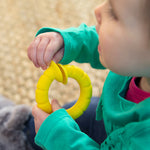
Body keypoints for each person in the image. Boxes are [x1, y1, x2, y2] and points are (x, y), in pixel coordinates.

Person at [27, 0, 150, 149]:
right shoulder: (138, 59)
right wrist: (68, 41)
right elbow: (113, 46)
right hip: (108, 119)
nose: (97, 10)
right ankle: (21, 128)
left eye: (113, 13)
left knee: (51, 129)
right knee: (41, 125)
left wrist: (60, 138)